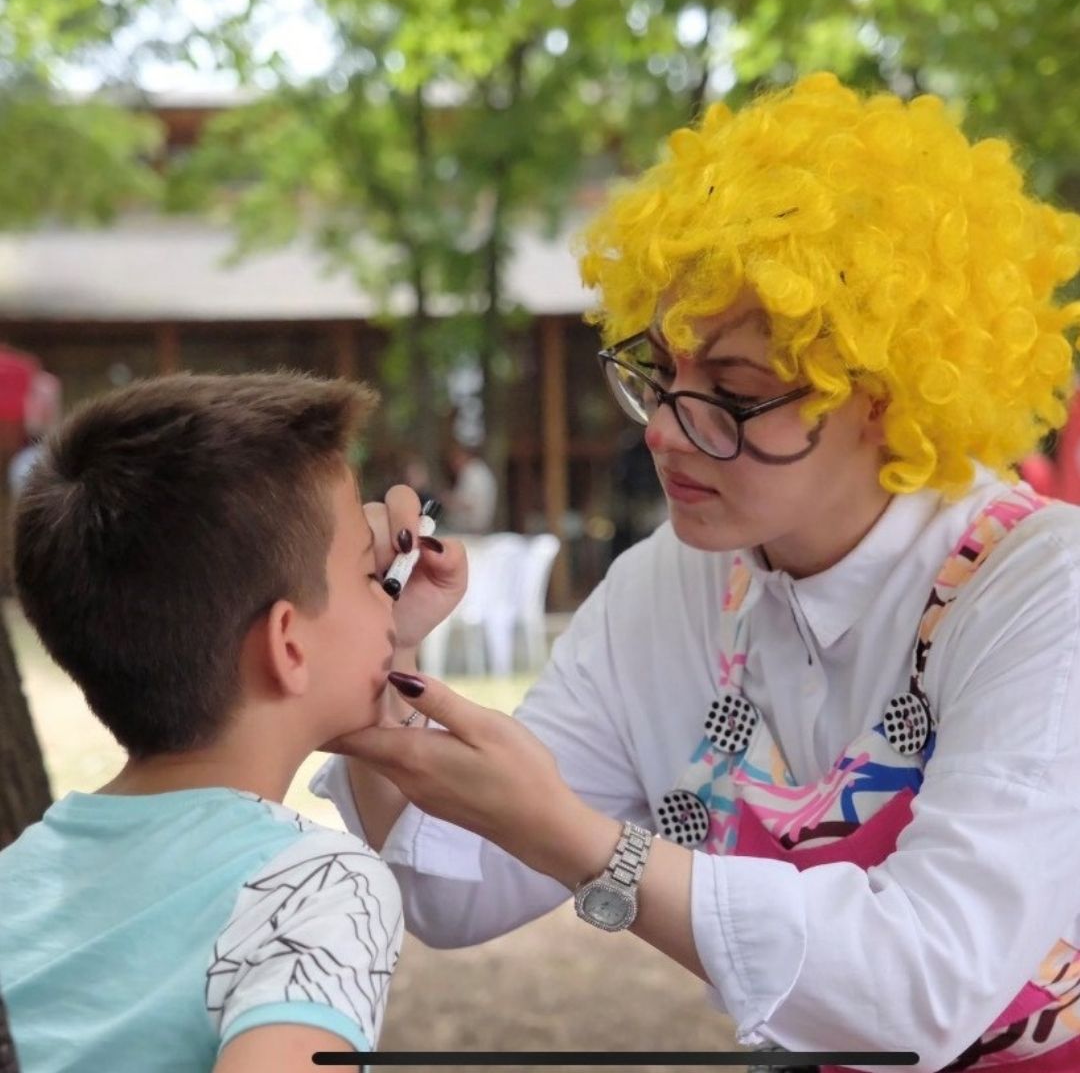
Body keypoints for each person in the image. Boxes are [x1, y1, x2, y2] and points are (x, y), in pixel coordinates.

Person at [313, 72, 1080, 1073]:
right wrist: (383, 653)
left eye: (736, 393)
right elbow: (458, 889)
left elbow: (924, 986)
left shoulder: (1039, 587)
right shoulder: (671, 585)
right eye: (663, 374)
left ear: (883, 399)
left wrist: (593, 844)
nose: (670, 430)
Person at [0, 371, 458, 1072]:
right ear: (288, 645)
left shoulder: (17, 876)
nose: (389, 603)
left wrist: (382, 645)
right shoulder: (314, 888)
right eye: (374, 577)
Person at [441, 437, 498, 533]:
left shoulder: (471, 472)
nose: (452, 465)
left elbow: (467, 503)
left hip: (471, 530)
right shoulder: (480, 469)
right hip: (479, 527)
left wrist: (447, 500)